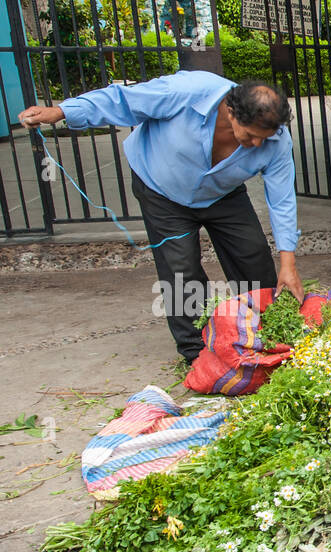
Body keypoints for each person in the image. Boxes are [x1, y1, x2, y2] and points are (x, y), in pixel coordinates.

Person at [19, 72, 305, 364]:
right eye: (252, 135)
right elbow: (123, 101)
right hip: (161, 191)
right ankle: (197, 350)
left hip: (223, 193)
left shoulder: (276, 140)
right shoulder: (187, 91)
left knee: (252, 253)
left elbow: (281, 199)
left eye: (264, 138)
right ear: (231, 111)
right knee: (181, 267)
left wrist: (288, 264)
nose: (258, 144)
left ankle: (268, 332)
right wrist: (61, 111)